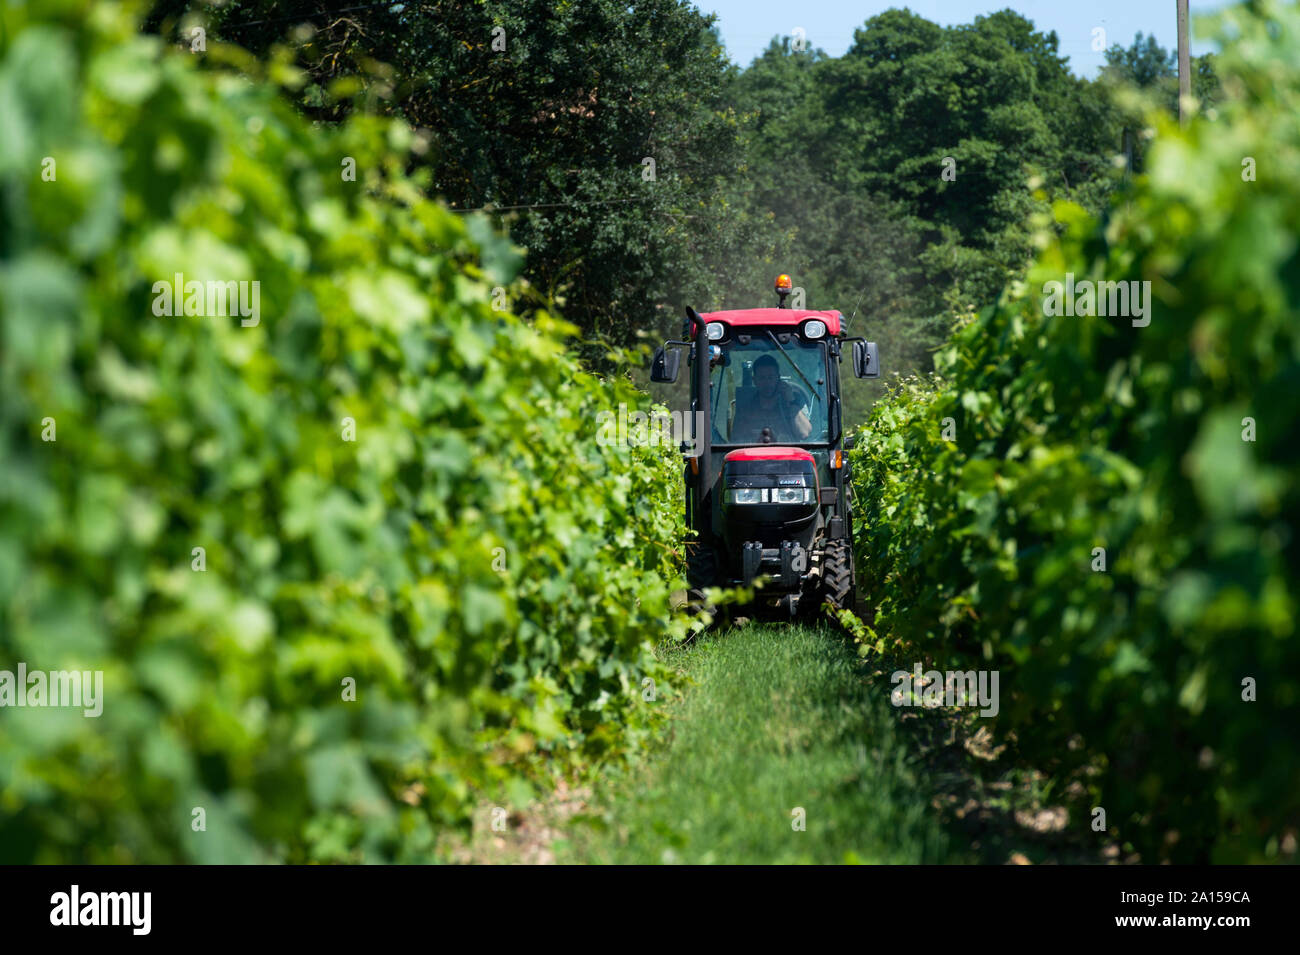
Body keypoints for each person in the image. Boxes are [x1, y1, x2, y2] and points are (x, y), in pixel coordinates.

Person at [730, 354, 812, 443]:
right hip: (755, 455)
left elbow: (804, 433)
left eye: (770, 377)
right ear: (754, 380)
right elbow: (736, 440)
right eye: (762, 378)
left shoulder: (793, 405)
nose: (767, 383)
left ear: (778, 378)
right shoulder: (746, 410)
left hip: (788, 455)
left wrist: (791, 401)